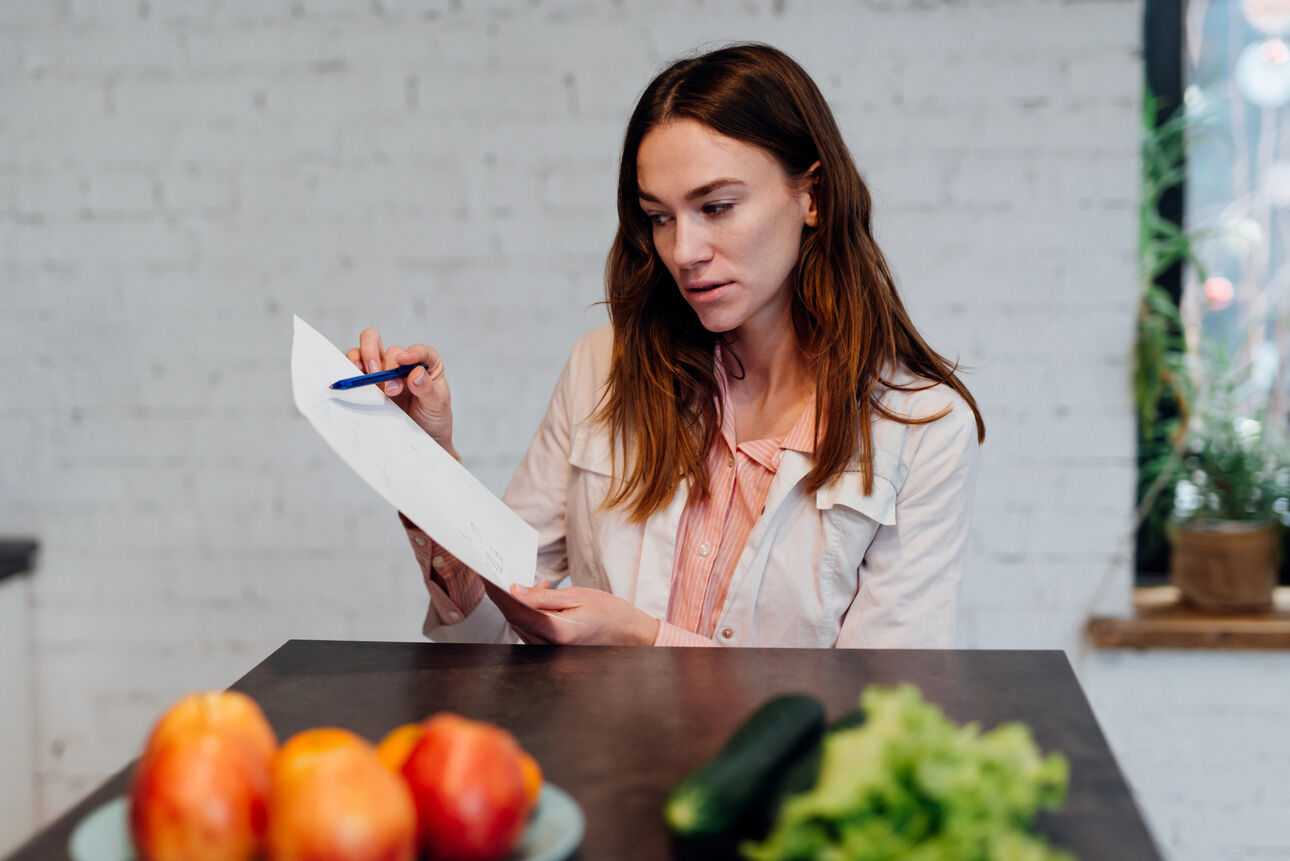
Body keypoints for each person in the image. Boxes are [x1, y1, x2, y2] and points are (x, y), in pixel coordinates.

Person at [347, 43, 985, 648]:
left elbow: (886, 716)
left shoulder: (922, 430)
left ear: (811, 196)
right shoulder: (601, 369)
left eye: (717, 207)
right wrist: (424, 461)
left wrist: (645, 641)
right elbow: (485, 633)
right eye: (659, 216)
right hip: (605, 767)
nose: (684, 252)